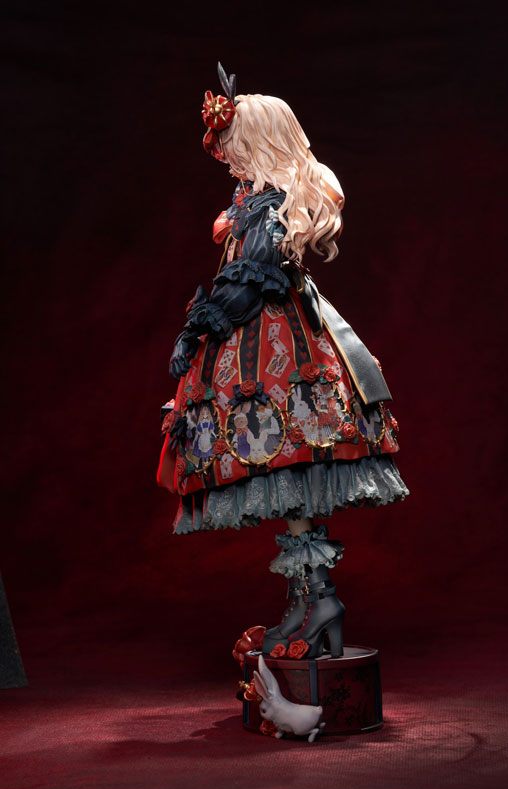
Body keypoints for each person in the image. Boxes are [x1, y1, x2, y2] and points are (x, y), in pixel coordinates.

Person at [157, 65, 409, 660]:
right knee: (287, 472)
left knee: (288, 458)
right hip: (272, 335)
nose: (225, 158)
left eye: (230, 145)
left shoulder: (268, 208)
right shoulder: (253, 201)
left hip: (273, 343)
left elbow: (251, 281)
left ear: (257, 142)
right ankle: (311, 602)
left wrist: (199, 330)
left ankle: (317, 602)